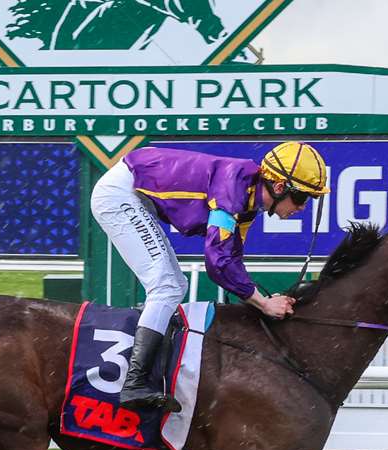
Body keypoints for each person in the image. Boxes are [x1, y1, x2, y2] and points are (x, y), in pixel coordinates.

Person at [89, 141, 330, 411]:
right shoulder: (232, 190)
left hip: (133, 191)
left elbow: (231, 260)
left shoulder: (247, 200)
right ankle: (135, 383)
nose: (302, 207)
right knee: (166, 287)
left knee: (176, 284)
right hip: (120, 194)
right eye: (301, 198)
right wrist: (263, 304)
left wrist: (263, 298)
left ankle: (146, 363)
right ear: (279, 187)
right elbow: (216, 263)